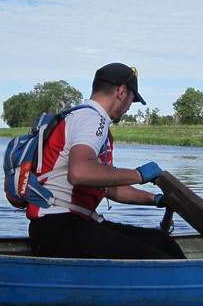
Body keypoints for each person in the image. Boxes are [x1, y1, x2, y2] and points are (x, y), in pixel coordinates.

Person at [26, 62, 185, 260]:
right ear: (121, 91)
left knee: (162, 242)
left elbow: (106, 187)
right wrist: (138, 175)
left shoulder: (81, 117)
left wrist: (154, 199)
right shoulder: (93, 119)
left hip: (62, 227)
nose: (129, 107)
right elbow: (80, 173)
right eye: (132, 100)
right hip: (59, 228)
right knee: (161, 258)